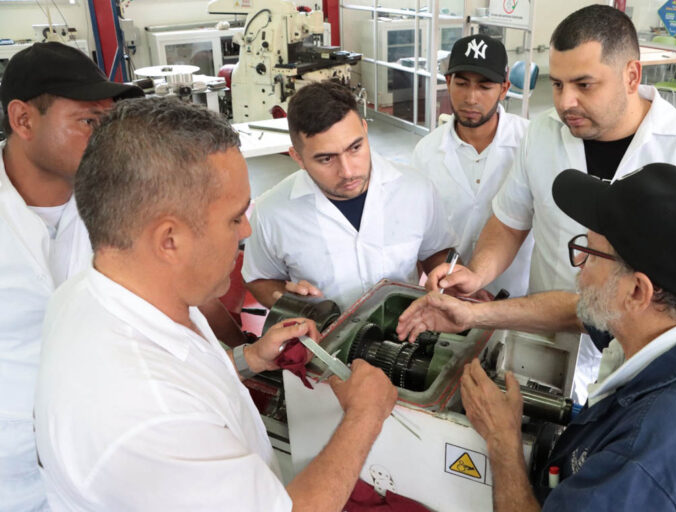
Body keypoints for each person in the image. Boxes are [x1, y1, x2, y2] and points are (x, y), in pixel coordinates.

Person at [34, 98, 397, 511]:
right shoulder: (147, 417)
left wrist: (249, 359)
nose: (246, 230)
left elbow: (183, 372)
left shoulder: (99, 290)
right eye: (234, 218)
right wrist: (365, 415)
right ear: (169, 240)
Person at [426, 5, 676, 401]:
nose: (566, 101)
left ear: (631, 75)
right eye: (557, 84)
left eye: (584, 85)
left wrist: (658, 356)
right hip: (544, 339)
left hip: (645, 369)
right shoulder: (543, 135)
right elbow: (510, 221)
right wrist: (478, 275)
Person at [398, 163, 676, 511]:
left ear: (637, 291)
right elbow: (578, 312)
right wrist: (474, 315)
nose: (579, 265)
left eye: (592, 253)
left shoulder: (638, 464)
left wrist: (502, 441)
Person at [0, 42, 142, 512]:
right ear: (23, 120)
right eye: (88, 122)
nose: (103, 138)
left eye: (107, 121)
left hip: (102, 451)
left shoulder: (114, 200)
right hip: (11, 469)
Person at [243, 80, 457, 310]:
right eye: (326, 158)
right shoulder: (271, 213)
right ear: (297, 157)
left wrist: (447, 282)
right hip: (324, 342)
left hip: (408, 334)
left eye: (355, 148)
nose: (348, 172)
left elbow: (437, 251)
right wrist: (287, 300)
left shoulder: (417, 189)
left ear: (365, 130)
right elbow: (259, 278)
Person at [412, 34, 533, 298]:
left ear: (503, 88)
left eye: (485, 86)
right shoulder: (427, 152)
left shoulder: (530, 142)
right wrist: (452, 288)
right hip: (453, 296)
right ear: (448, 82)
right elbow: (423, 235)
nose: (471, 98)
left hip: (519, 295)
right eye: (462, 84)